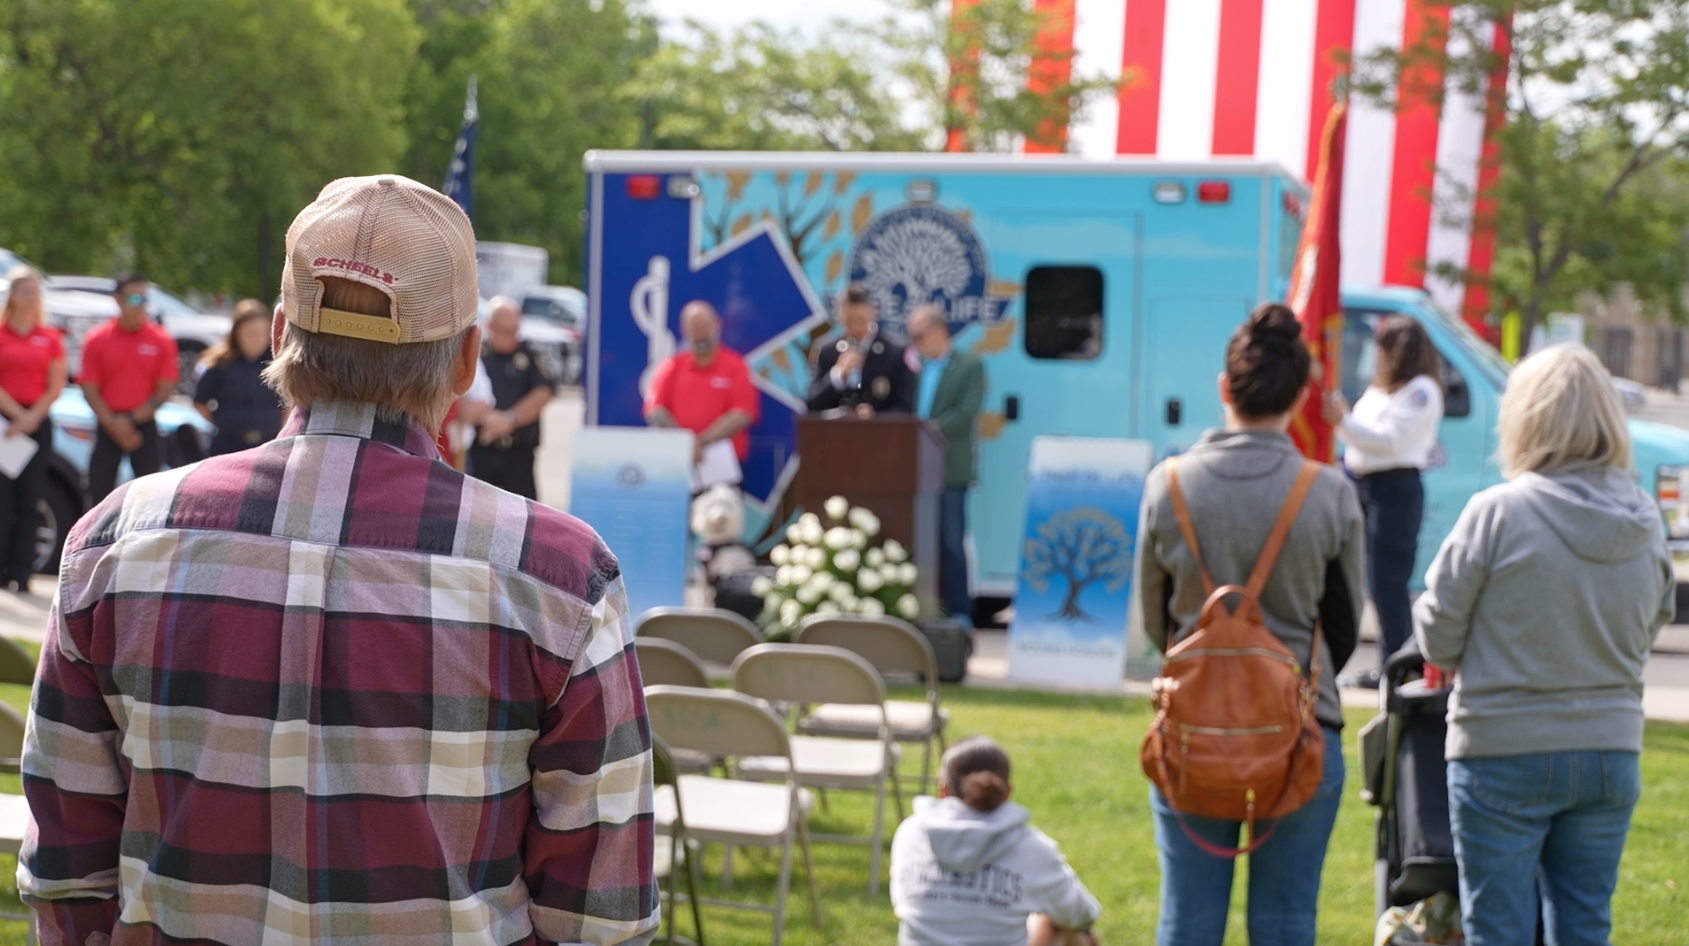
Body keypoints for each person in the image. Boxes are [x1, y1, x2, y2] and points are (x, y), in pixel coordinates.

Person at [19, 174, 659, 945]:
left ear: (284, 328)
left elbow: (67, 877)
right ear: (464, 362)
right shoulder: (557, 578)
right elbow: (599, 916)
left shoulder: (115, 542)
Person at [1414, 343, 1673, 946]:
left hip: (1501, 748)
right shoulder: (1642, 520)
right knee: (1585, 927)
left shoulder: (1497, 513)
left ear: (1525, 417)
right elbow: (1652, 619)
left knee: (1496, 928)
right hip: (1609, 751)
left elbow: (1437, 635)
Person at [1136, 303, 1365, 946]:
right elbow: (1344, 625)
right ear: (1300, 397)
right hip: (1301, 730)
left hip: (1192, 726)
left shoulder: (1168, 484)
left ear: (1223, 388)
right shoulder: (1328, 492)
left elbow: (1157, 621)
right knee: (1287, 920)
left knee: (1187, 919)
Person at [1326, 315, 1445, 689]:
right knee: (1368, 579)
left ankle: (1400, 663)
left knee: (1388, 582)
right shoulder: (1382, 390)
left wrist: (1342, 421)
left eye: (1384, 347)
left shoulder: (1420, 390)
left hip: (1395, 488)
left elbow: (1388, 440)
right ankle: (1386, 663)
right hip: (1363, 484)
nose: (1378, 356)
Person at [891, 735, 1101, 946]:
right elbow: (1082, 915)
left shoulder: (912, 833)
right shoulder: (1030, 846)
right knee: (1072, 932)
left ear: (943, 789)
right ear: (1007, 792)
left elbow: (900, 902)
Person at [908, 304, 986, 626]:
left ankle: (959, 611)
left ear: (939, 331)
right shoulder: (915, 367)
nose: (914, 342)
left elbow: (966, 412)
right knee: (919, 542)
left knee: (951, 542)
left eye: (919, 336)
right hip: (913, 470)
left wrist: (928, 431)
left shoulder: (969, 365)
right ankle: (925, 607)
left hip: (950, 470)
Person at [80, 273, 179, 503]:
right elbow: (89, 387)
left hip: (143, 425)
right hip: (107, 423)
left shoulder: (161, 339)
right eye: (134, 299)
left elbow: (164, 389)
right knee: (98, 493)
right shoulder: (97, 338)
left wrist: (131, 421)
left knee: (151, 496)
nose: (140, 305)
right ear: (117, 299)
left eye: (144, 299)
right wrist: (114, 424)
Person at [0, 265, 66, 592]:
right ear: (11, 294)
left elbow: (55, 386)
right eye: (25, 289)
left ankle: (22, 573)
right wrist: (15, 415)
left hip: (36, 423)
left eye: (35, 290)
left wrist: (31, 417)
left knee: (31, 500)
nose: (31, 295)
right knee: (3, 500)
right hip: (4, 424)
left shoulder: (50, 337)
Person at [644, 300, 760, 484]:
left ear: (717, 325)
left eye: (704, 327)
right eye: (694, 328)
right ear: (684, 331)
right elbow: (655, 410)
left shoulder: (736, 367)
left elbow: (742, 414)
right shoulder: (671, 366)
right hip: (677, 467)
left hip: (723, 469)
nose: (700, 334)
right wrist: (686, 444)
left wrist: (702, 443)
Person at [470, 296, 557, 498]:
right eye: (506, 331)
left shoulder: (531, 353)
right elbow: (460, 393)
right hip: (481, 449)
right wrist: (486, 418)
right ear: (490, 326)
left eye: (516, 330)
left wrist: (508, 420)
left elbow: (543, 392)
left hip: (519, 453)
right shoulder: (475, 353)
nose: (513, 337)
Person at [807, 282, 919, 417]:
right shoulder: (826, 350)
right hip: (836, 434)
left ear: (873, 312)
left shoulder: (896, 352)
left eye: (860, 320)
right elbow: (812, 404)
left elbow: (906, 408)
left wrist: (875, 416)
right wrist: (837, 375)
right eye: (848, 321)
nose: (854, 327)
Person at [193, 298, 285, 455]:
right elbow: (200, 402)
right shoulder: (218, 363)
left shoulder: (279, 363)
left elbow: (291, 402)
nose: (257, 339)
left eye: (262, 333)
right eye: (250, 333)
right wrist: (224, 422)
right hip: (228, 445)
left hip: (269, 444)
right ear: (236, 333)